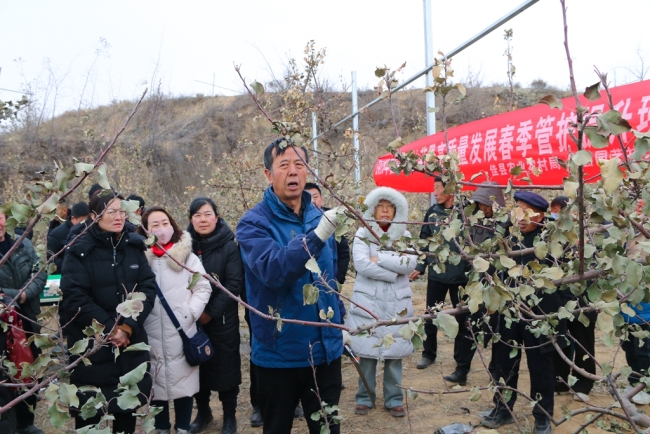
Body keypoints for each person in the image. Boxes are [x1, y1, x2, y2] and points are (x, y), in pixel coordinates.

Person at [236, 138, 344, 434]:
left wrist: (341, 322)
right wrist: (316, 237)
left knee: (326, 429)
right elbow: (274, 270)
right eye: (284, 165)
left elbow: (329, 277)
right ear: (268, 174)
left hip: (325, 352)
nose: (293, 171)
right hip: (279, 355)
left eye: (299, 164)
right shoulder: (253, 224)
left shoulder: (319, 216)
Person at [60, 191, 157, 433]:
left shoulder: (133, 246)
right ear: (94, 215)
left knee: (126, 415)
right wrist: (111, 328)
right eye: (111, 211)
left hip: (129, 346)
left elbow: (148, 288)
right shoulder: (79, 250)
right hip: (91, 347)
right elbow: (75, 298)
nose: (118, 217)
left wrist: (127, 327)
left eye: (122, 211)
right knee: (90, 415)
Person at [481, 191, 562, 434]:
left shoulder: (552, 239)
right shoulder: (507, 235)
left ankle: (542, 416)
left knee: (540, 366)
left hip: (539, 313)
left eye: (527, 211)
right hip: (508, 312)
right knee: (504, 363)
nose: (521, 217)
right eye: (517, 210)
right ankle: (502, 409)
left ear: (541, 215)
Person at [137, 206, 212, 434]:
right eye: (154, 225)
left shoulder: (185, 254)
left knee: (184, 384)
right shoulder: (140, 257)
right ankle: (161, 428)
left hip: (182, 330)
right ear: (146, 230)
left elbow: (203, 285)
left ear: (173, 225)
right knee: (156, 384)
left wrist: (189, 313)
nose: (161, 229)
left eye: (165, 223)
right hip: (150, 331)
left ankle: (182, 427)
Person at [344, 187, 417, 417]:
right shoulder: (362, 234)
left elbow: (409, 265)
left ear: (397, 211)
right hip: (368, 302)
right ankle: (365, 397)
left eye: (390, 207)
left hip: (397, 302)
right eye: (380, 206)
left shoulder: (404, 236)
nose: (385, 211)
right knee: (366, 352)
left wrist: (380, 258)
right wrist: (393, 271)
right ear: (373, 209)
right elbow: (362, 265)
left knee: (394, 353)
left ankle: (394, 399)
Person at [187, 197, 243, 434]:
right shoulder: (184, 246)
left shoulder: (229, 246)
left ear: (217, 217)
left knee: (227, 370)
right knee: (197, 367)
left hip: (222, 320)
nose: (203, 219)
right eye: (197, 215)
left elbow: (233, 284)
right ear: (191, 219)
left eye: (208, 214)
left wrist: (209, 313)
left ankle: (229, 416)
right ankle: (204, 412)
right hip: (192, 319)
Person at [443, 181, 505, 386]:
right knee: (466, 326)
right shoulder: (471, 222)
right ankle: (461, 370)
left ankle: (497, 373)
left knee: (498, 331)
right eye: (480, 204)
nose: (483, 209)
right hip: (472, 284)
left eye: (487, 204)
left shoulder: (505, 224)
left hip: (497, 286)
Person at [409, 176, 469, 369]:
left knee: (462, 318)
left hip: (461, 275)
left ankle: (461, 360)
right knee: (431, 314)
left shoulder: (465, 211)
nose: (434, 192)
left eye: (438, 188)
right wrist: (421, 266)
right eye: (433, 188)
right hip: (437, 273)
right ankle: (429, 353)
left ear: (451, 189)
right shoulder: (432, 212)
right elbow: (425, 240)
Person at [0, 208, 47, 434]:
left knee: (32, 370)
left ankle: (26, 422)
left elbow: (40, 270)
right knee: (8, 373)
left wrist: (25, 294)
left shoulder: (22, 243)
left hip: (29, 319)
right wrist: (15, 295)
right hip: (5, 327)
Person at [551, 195, 596, 402]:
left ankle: (584, 384)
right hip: (559, 296)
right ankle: (559, 380)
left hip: (584, 297)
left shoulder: (592, 236)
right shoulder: (553, 235)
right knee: (560, 337)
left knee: (584, 340)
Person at [305, 182, 350, 285]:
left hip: (330, 281)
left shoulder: (333, 219)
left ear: (321, 199)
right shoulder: (299, 222)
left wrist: (337, 279)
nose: (312, 201)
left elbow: (343, 252)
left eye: (315, 197)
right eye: (308, 197)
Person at [47, 201, 89, 272]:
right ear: (73, 218)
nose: (85, 225)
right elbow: (51, 258)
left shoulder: (91, 230)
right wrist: (69, 267)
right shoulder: (57, 234)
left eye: (87, 221)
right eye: (81, 221)